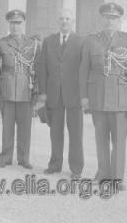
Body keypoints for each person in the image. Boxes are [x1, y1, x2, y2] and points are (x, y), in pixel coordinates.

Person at [79, 2, 127, 190]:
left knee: (119, 141)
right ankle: (102, 174)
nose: (110, 21)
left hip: (120, 98)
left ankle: (117, 178)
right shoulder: (91, 40)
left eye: (114, 18)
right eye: (107, 18)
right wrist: (84, 96)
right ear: (102, 19)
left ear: (119, 20)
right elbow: (84, 69)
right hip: (97, 97)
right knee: (100, 139)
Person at [37, 10, 84, 179]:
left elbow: (84, 70)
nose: (64, 21)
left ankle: (76, 168)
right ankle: (55, 164)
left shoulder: (80, 42)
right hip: (53, 94)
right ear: (58, 21)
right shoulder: (49, 41)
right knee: (55, 132)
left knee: (76, 132)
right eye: (62, 18)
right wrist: (42, 93)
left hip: (74, 95)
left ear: (73, 21)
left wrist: (84, 95)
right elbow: (42, 68)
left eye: (68, 18)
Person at [0, 10, 40, 169]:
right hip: (7, 89)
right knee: (7, 127)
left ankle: (24, 158)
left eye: (18, 23)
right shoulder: (1, 43)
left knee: (25, 127)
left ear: (23, 24)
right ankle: (5, 158)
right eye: (12, 23)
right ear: (9, 24)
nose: (15, 26)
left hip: (26, 91)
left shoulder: (33, 44)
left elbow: (38, 70)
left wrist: (36, 92)